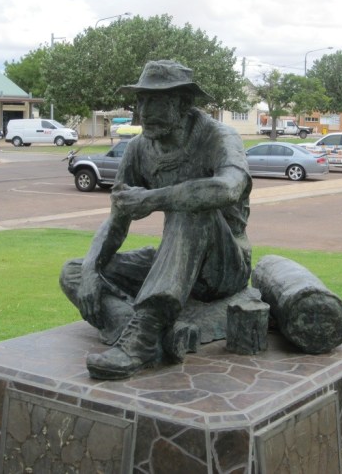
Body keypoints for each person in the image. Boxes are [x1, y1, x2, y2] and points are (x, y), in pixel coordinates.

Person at [60, 60, 252, 379]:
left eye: (156, 101)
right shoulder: (138, 149)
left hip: (223, 268)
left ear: (183, 104)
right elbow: (117, 219)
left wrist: (152, 199)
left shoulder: (219, 137)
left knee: (193, 205)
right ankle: (148, 332)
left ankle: (143, 335)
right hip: (174, 260)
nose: (144, 112)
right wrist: (93, 269)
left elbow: (228, 188)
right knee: (75, 271)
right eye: (141, 101)